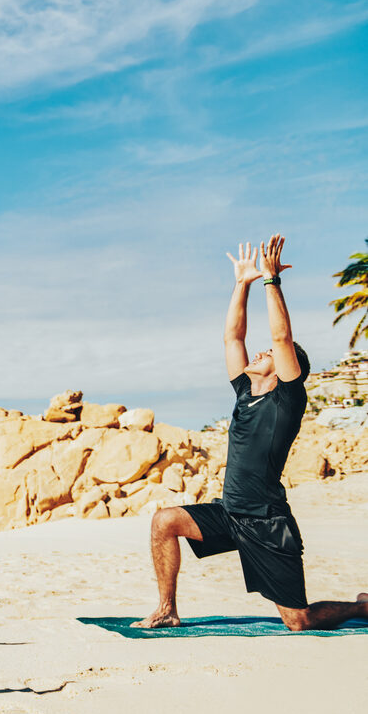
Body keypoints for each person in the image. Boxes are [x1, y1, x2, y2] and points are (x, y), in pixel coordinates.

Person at [134, 235, 367, 631]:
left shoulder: (288, 400)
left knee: (299, 620)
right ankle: (166, 608)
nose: (261, 353)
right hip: (230, 514)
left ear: (286, 366)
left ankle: (362, 607)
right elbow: (233, 338)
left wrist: (270, 282)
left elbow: (280, 337)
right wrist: (241, 284)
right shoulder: (245, 392)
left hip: (267, 523)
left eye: (270, 355)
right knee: (164, 521)